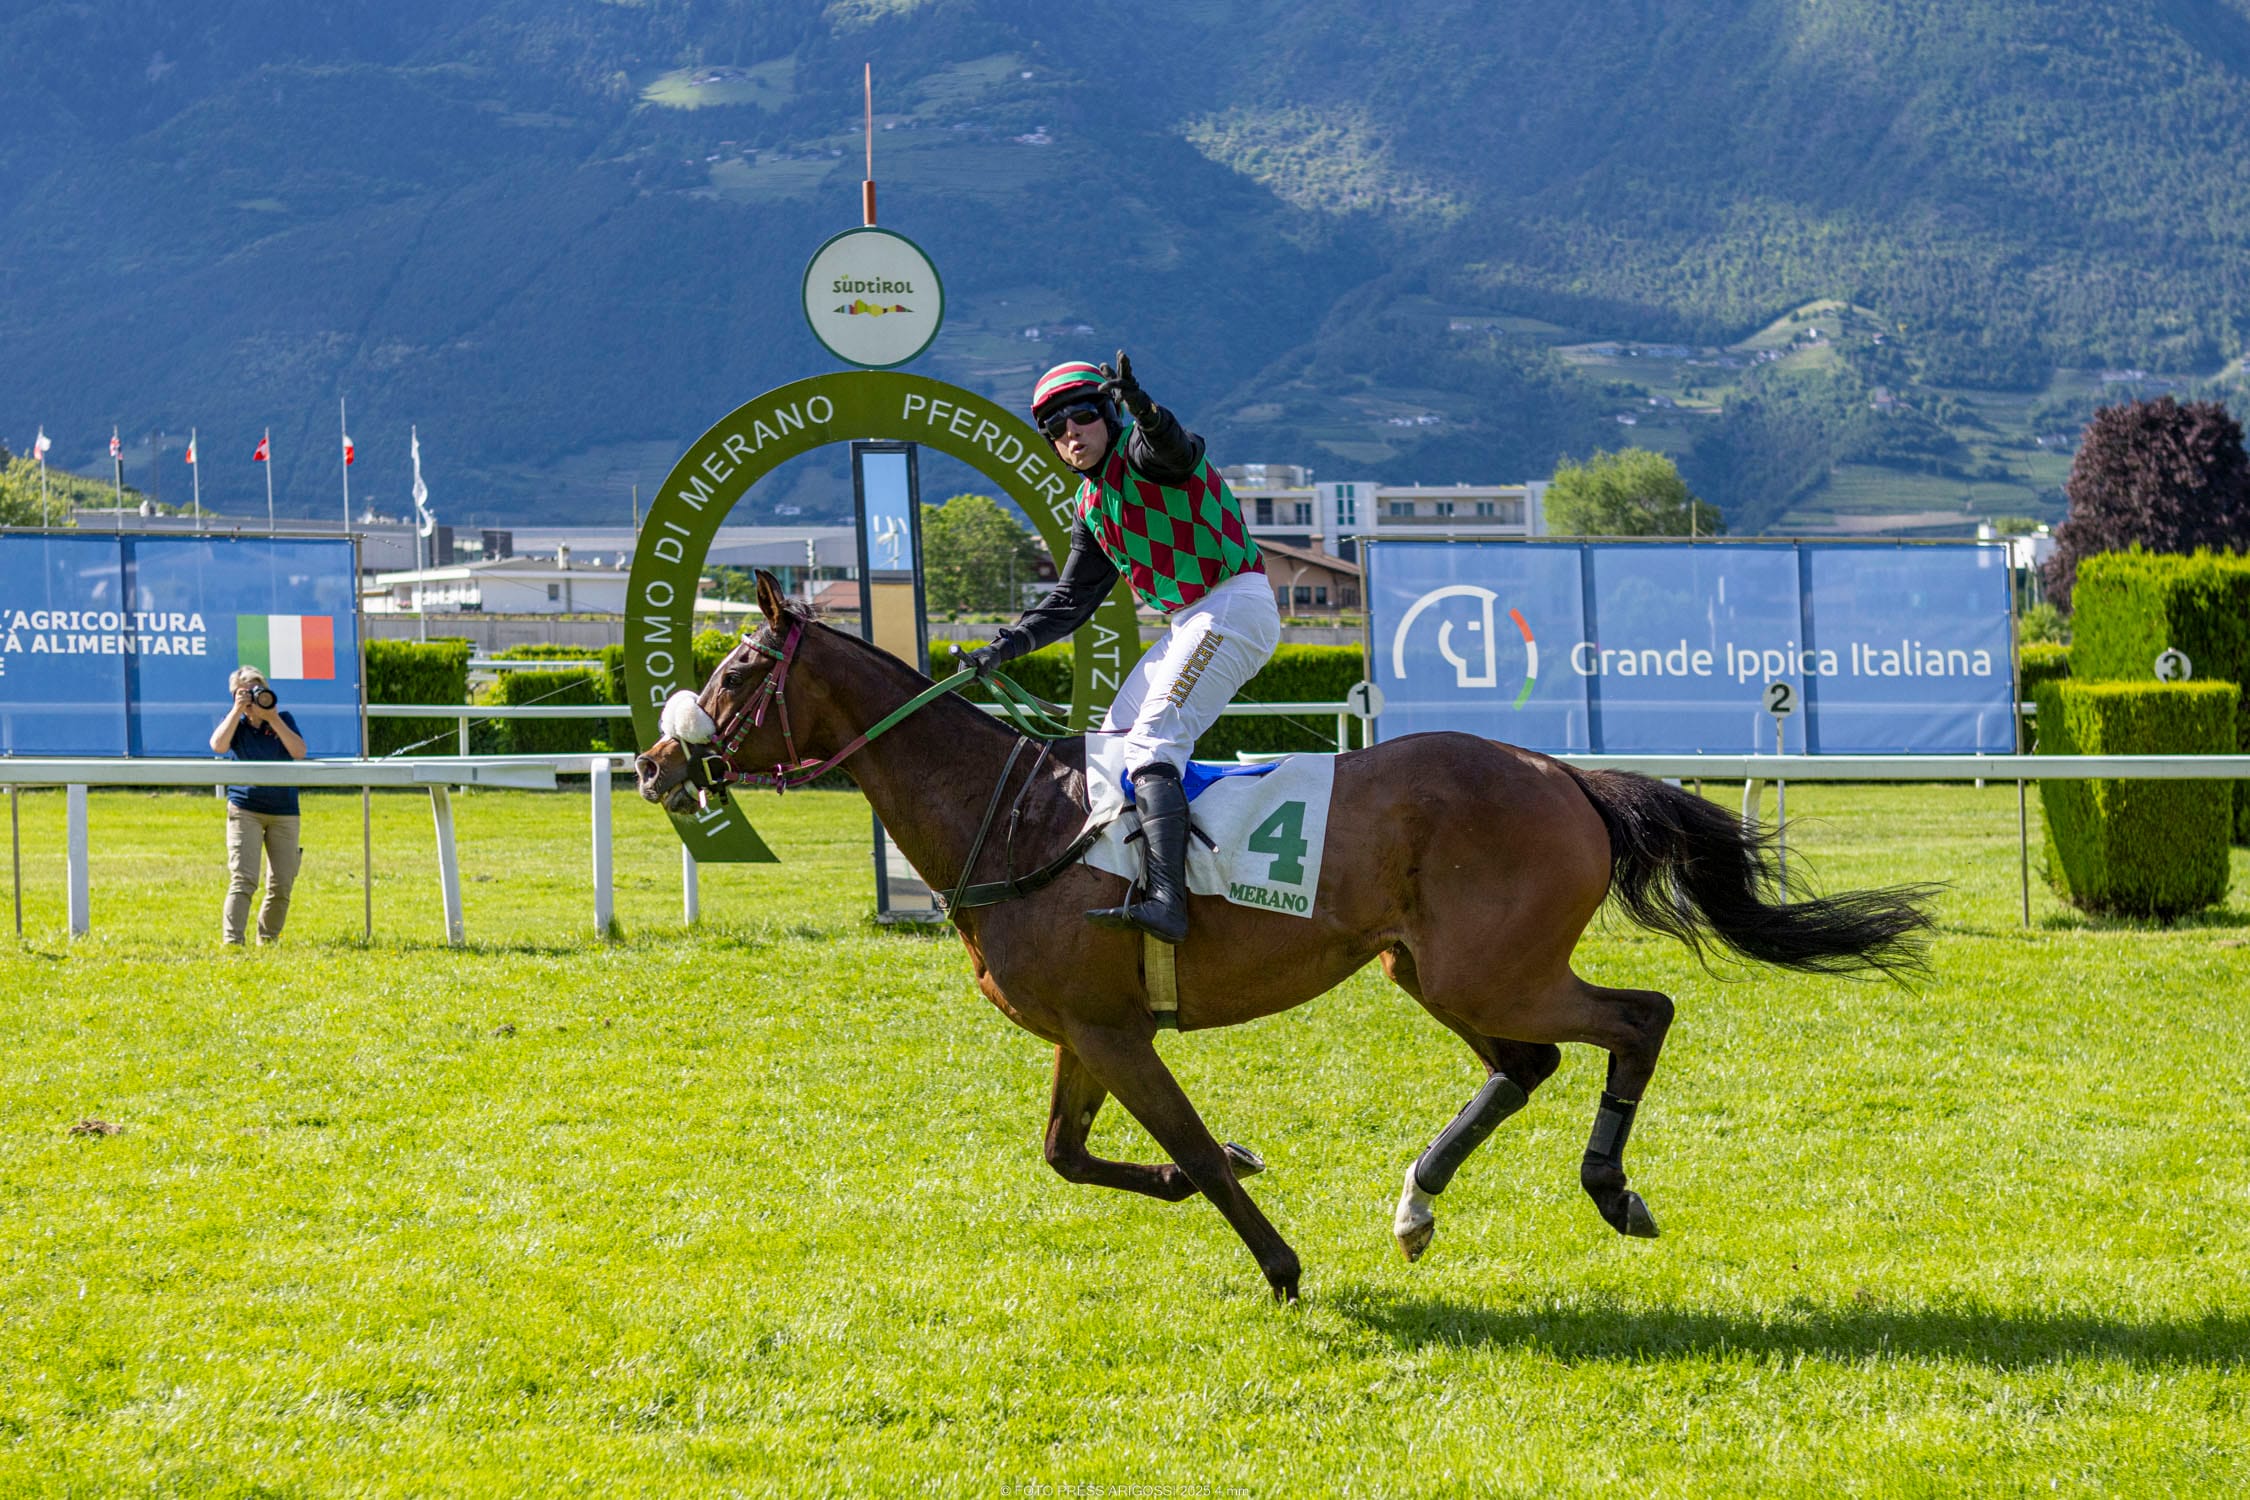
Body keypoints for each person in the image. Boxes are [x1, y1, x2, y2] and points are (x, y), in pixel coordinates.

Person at [962, 352, 1279, 944]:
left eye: (1081, 417)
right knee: (1111, 746)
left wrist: (1144, 408)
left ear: (1109, 414)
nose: (1070, 434)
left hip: (1234, 603)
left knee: (1154, 742)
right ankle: (1131, 880)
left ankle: (1170, 900)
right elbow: (1070, 602)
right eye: (1055, 429)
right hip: (1191, 619)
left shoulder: (1142, 453)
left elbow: (1176, 448)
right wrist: (999, 651)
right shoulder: (1089, 507)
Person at [209, 666, 307, 946]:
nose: (254, 696)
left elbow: (299, 752)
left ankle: (268, 940)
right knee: (244, 879)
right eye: (246, 691)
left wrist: (272, 718)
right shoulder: (235, 726)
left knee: (282, 883)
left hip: (284, 811)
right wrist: (237, 711)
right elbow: (217, 745)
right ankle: (233, 942)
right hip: (245, 808)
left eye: (257, 688)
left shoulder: (283, 719)